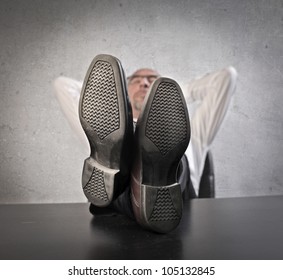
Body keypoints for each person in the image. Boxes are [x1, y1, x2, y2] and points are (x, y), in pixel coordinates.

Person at [53, 54, 237, 233]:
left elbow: (226, 77)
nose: (144, 83)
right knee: (120, 143)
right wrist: (118, 91)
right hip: (134, 206)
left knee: (173, 159)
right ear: (123, 90)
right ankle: (136, 171)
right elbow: (63, 86)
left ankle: (146, 171)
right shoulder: (104, 127)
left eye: (152, 79)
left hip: (177, 201)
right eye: (136, 80)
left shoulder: (191, 133)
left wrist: (171, 92)